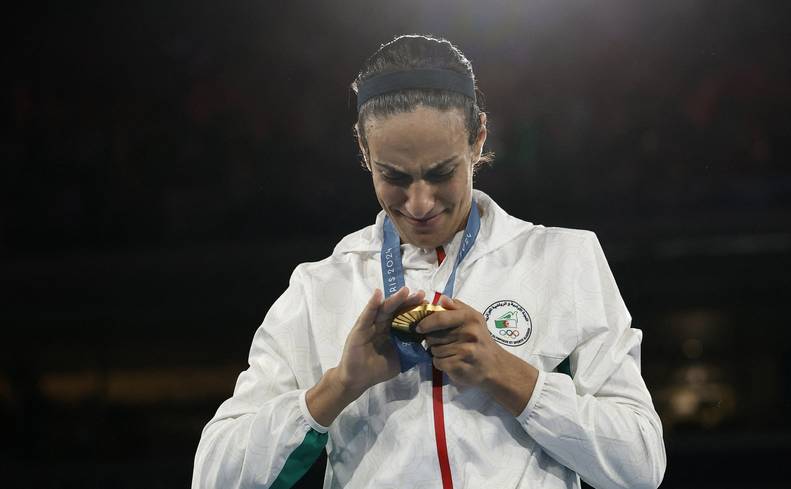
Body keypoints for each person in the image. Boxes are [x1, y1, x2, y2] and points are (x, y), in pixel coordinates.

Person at [192, 34, 666, 489]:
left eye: (441, 173)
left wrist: (507, 373)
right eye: (393, 176)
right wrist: (338, 386)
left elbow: (640, 464)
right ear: (363, 149)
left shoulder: (563, 260)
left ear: (478, 140)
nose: (419, 204)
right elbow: (214, 477)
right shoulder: (319, 289)